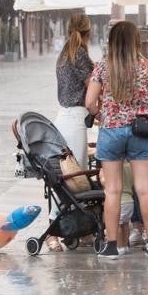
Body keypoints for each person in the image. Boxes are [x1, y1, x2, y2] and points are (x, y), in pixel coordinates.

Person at [86, 21, 148, 259]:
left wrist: (102, 116)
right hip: (140, 131)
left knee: (113, 190)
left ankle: (112, 245)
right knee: (144, 188)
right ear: (135, 41)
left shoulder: (102, 67)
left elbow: (89, 102)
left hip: (111, 131)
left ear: (112, 41)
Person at [48, 13, 94, 252]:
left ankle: (66, 228)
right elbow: (93, 89)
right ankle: (60, 229)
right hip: (76, 118)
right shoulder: (81, 55)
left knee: (62, 176)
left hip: (62, 117)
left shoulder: (64, 54)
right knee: (76, 178)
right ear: (89, 31)